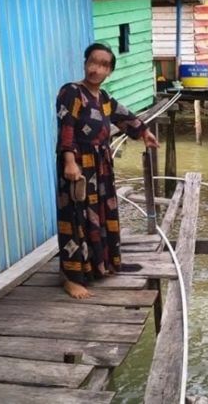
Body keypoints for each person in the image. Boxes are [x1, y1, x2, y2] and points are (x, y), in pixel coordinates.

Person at [55, 43, 159, 299]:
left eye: (103, 65)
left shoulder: (103, 98)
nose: (96, 68)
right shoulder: (72, 92)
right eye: (93, 62)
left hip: (100, 166)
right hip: (78, 165)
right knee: (76, 218)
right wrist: (69, 161)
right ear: (85, 63)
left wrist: (144, 132)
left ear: (109, 71)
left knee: (102, 213)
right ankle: (72, 277)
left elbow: (125, 117)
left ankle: (100, 265)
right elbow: (66, 127)